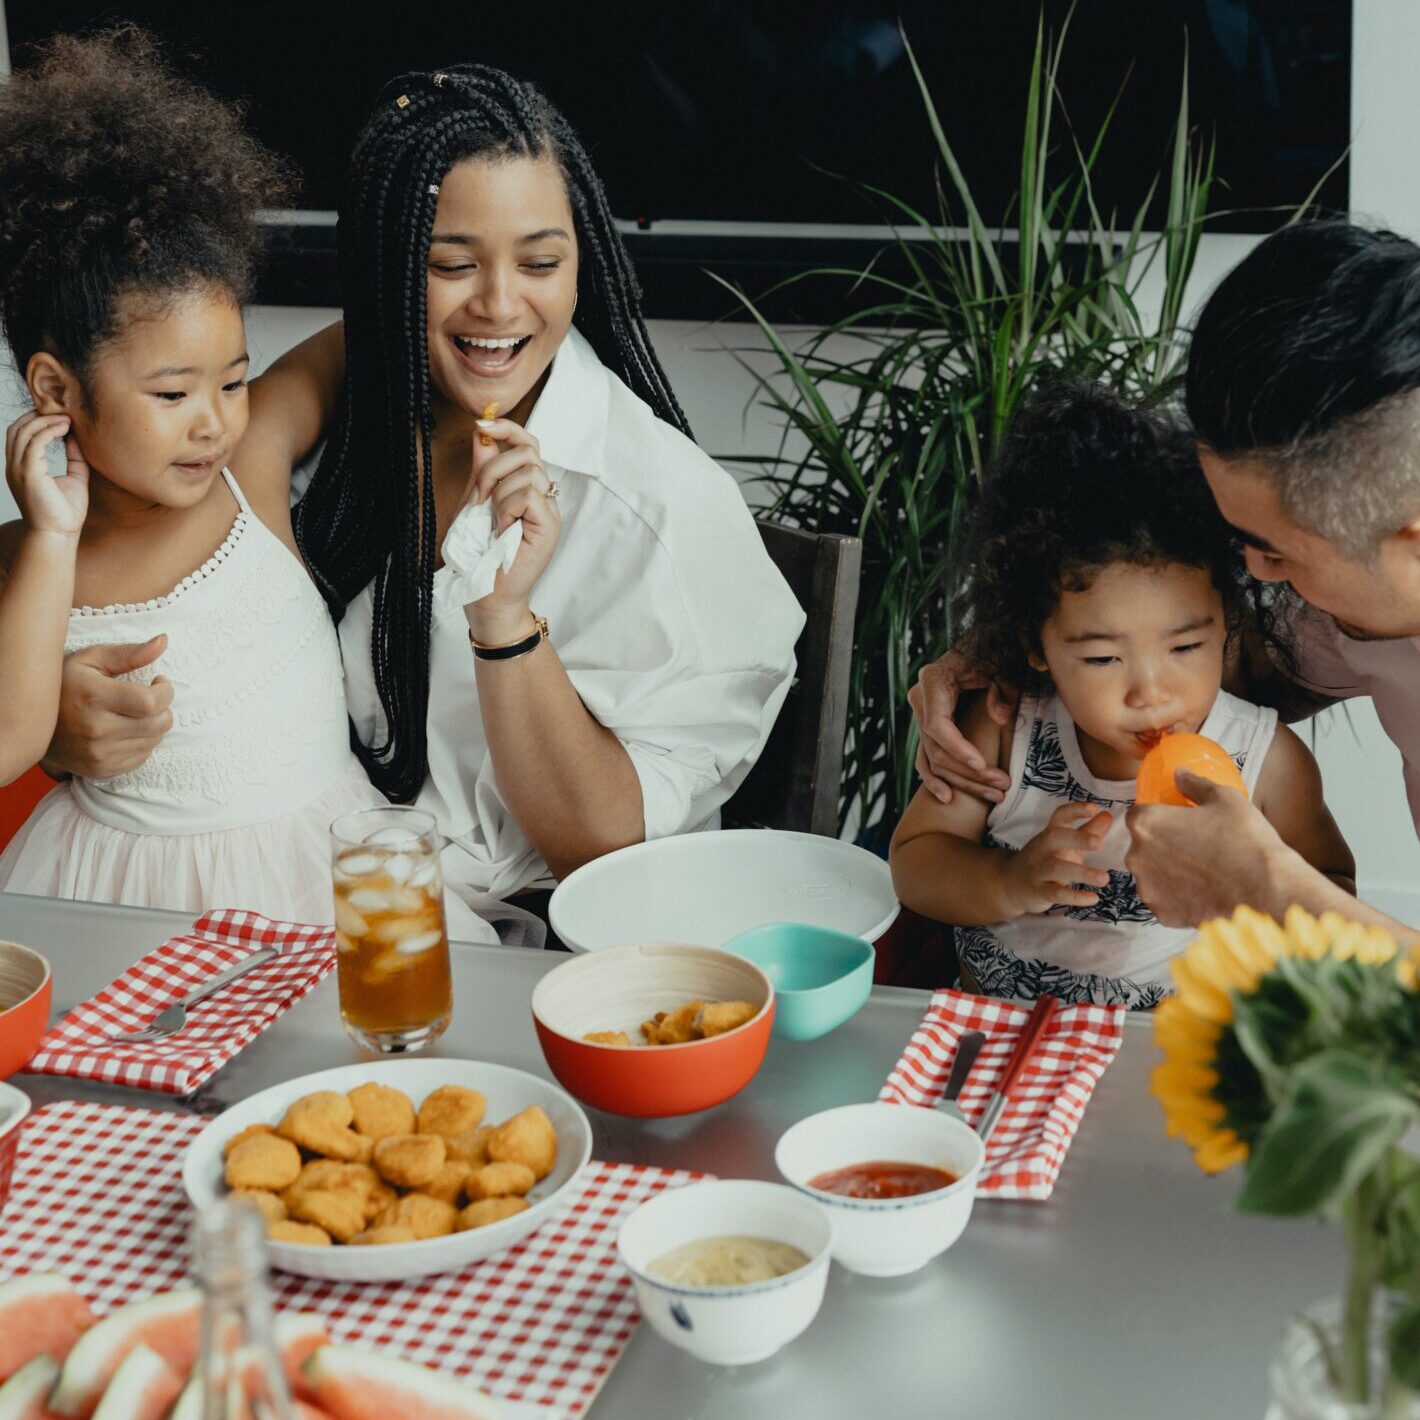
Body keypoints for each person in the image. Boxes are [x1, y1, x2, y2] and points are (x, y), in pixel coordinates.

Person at [41, 63, 805, 922]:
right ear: (387, 274)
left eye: (541, 261)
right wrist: (61, 727)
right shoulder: (327, 432)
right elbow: (211, 641)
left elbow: (604, 855)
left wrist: (505, 624)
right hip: (304, 895)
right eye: (449, 264)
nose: (500, 304)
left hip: (538, 947)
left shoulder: (660, 510)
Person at [0, 29, 451, 931]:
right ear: (57, 389)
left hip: (317, 878)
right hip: (117, 903)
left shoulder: (245, 475)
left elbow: (373, 338)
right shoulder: (23, 562)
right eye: (171, 392)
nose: (214, 418)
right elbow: (11, 746)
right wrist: (51, 537)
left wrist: (475, 295)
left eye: (235, 379)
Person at [907, 221, 1420, 946]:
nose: (1252, 575)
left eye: (1275, 552)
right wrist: (999, 650)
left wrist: (1266, 890)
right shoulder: (1346, 615)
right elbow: (1189, 650)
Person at [889, 385, 1352, 1005]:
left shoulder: (1265, 759)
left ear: (1228, 624)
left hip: (1167, 1045)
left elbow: (1333, 887)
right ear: (1037, 646)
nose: (1151, 693)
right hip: (996, 1024)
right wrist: (1009, 878)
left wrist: (1253, 891)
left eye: (1185, 648)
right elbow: (915, 862)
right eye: (1104, 658)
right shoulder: (1005, 728)